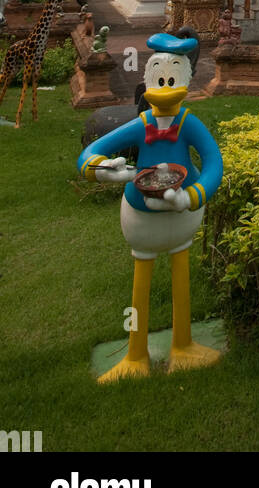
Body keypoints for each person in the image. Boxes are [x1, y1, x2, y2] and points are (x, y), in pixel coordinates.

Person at [77, 30, 223, 382]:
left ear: (185, 82)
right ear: (148, 81)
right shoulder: (141, 125)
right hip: (140, 216)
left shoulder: (189, 124)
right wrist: (104, 170)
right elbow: (91, 152)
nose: (165, 85)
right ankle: (136, 352)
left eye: (172, 78)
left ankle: (184, 344)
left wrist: (191, 196)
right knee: (141, 281)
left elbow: (214, 162)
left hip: (182, 215)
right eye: (159, 77)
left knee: (180, 273)